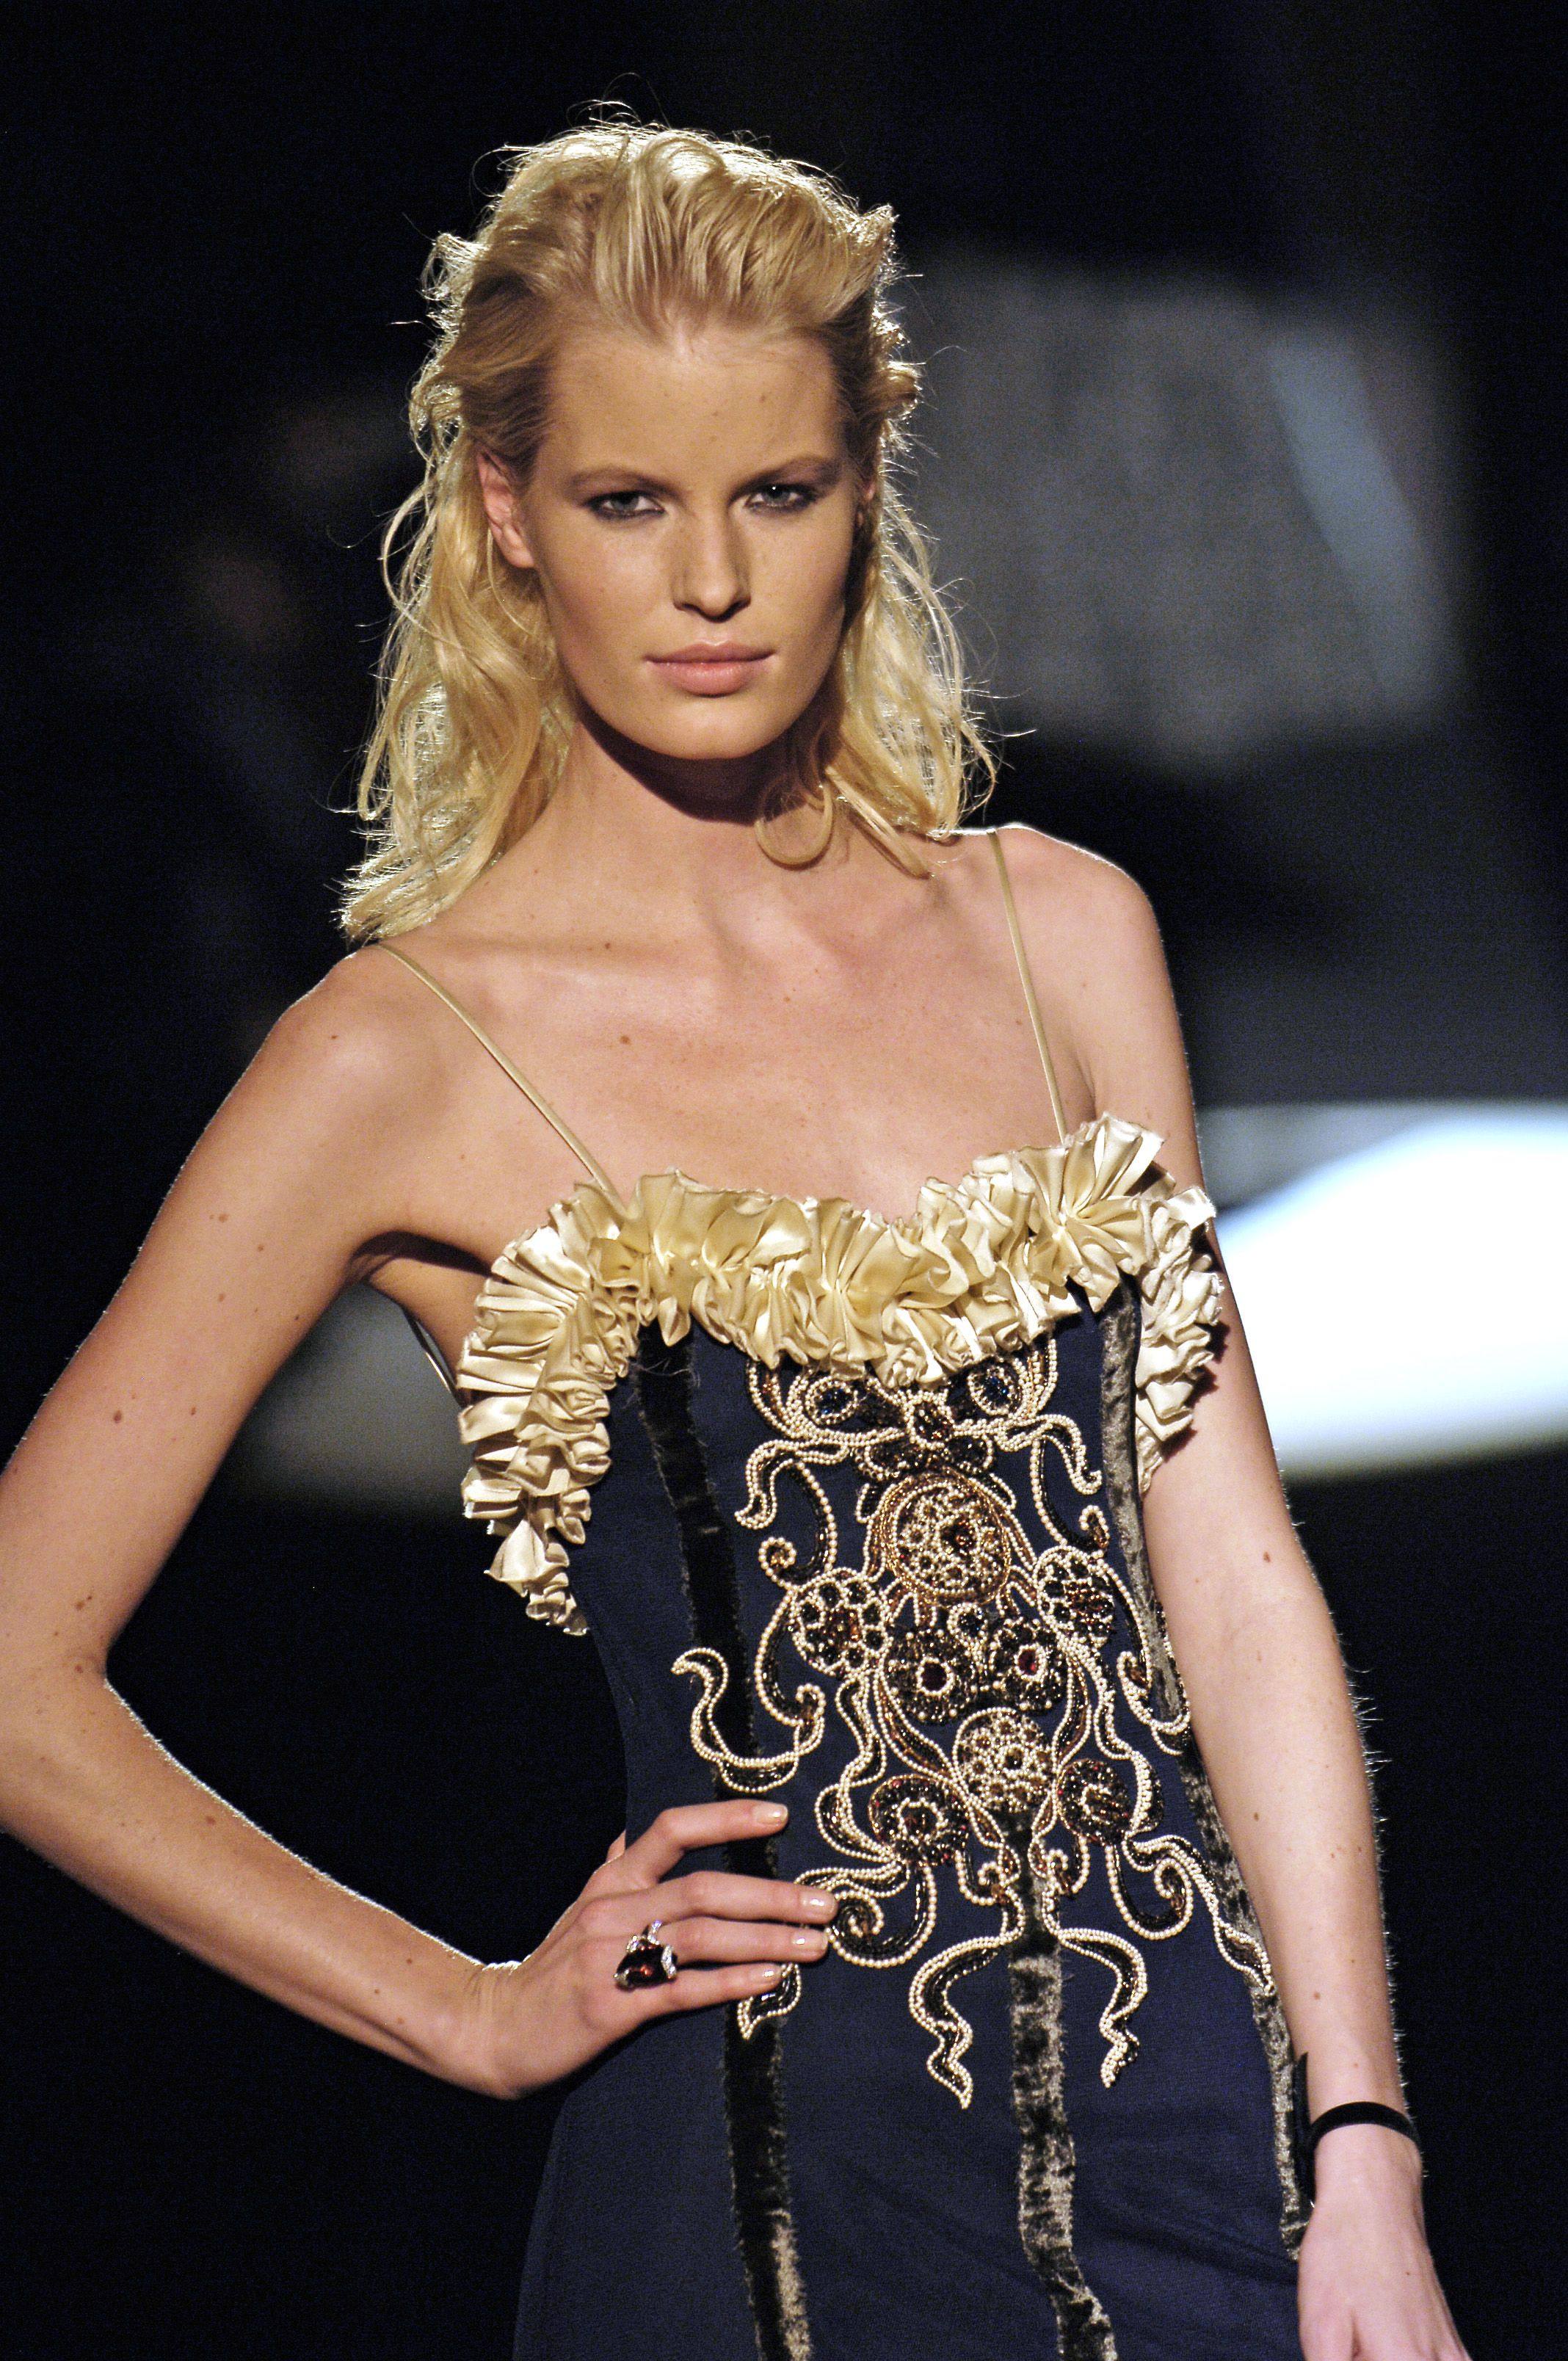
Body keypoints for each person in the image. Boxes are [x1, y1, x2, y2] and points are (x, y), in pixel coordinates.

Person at [0, 123, 1467, 2361]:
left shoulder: (1066, 935)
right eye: (629, 502)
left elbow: (1235, 1573)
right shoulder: (399, 1059)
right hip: (768, 2210)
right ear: (508, 511)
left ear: (865, 480)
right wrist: (463, 2009)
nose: (711, 580)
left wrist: (1364, 2145)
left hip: (1216, 2156)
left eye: (775, 491)